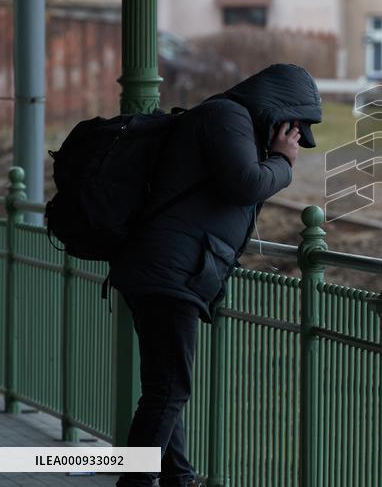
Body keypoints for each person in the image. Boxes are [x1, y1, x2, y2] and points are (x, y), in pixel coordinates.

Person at [109, 63, 322, 487]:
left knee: (165, 386)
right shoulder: (227, 115)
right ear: (279, 110)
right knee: (169, 390)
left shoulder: (230, 120)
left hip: (168, 268)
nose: (295, 135)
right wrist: (282, 161)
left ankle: (179, 479)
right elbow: (245, 184)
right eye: (294, 125)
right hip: (170, 270)